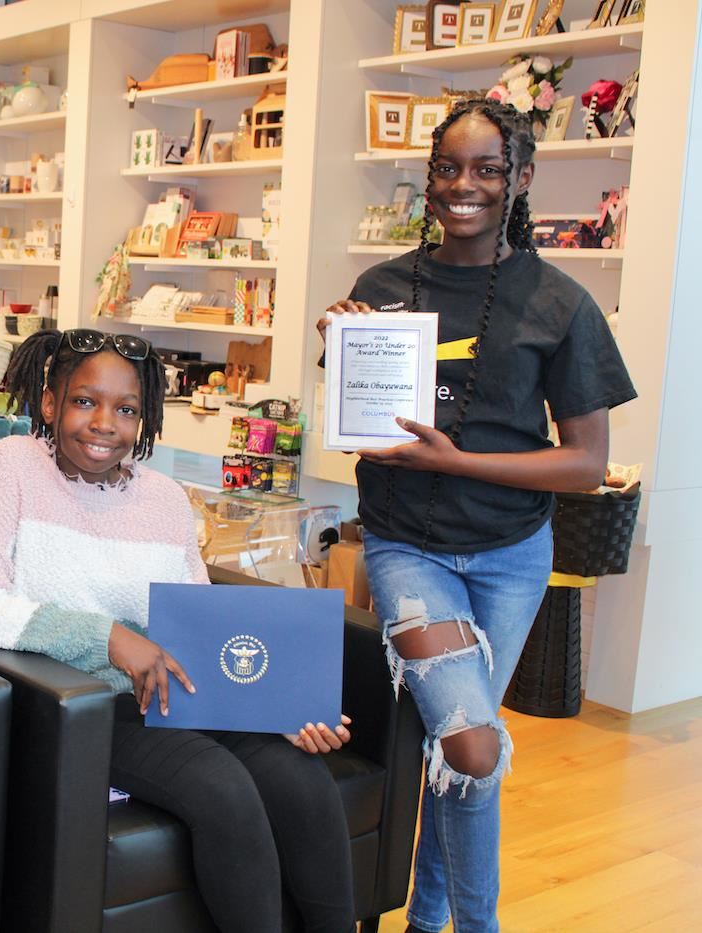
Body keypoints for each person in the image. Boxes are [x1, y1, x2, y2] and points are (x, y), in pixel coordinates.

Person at [318, 98, 636, 933]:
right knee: (470, 742)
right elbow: (354, 416)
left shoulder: (560, 304)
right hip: (406, 547)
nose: (465, 185)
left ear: (521, 179)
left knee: (459, 752)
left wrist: (456, 460)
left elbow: (587, 463)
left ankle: (428, 920)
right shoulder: (381, 288)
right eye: (448, 168)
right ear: (429, 178)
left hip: (511, 554)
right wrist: (341, 341)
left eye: (488, 169)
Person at [0, 328, 356, 932]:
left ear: (145, 418)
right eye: (85, 401)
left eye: (126, 409)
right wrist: (106, 635)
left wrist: (277, 706)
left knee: (304, 783)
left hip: (179, 695)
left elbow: (201, 624)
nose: (104, 422)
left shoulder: (164, 497)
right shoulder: (13, 466)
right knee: (224, 789)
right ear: (50, 403)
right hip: (81, 703)